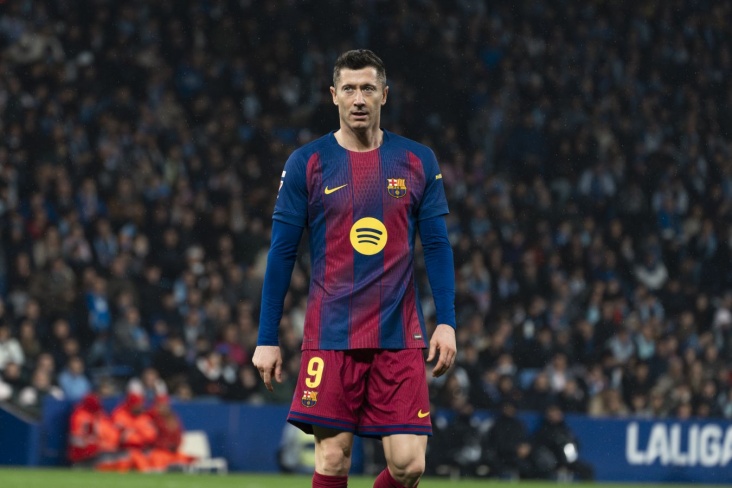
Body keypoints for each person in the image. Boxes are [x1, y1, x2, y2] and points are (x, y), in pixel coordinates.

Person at [252, 49, 456, 488]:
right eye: (349, 89)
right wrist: (267, 337)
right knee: (332, 458)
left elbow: (438, 246)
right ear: (333, 95)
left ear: (384, 94)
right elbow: (281, 254)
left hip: (398, 332)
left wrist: (447, 321)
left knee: (409, 465)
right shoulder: (308, 162)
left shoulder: (417, 160)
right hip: (332, 332)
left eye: (367, 88)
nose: (358, 98)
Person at [531, 404, 594, 481]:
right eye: (553, 411)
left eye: (557, 412)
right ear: (547, 414)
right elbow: (540, 448)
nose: (556, 414)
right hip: (552, 462)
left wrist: (567, 462)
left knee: (587, 470)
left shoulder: (565, 430)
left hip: (568, 462)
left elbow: (575, 445)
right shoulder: (543, 430)